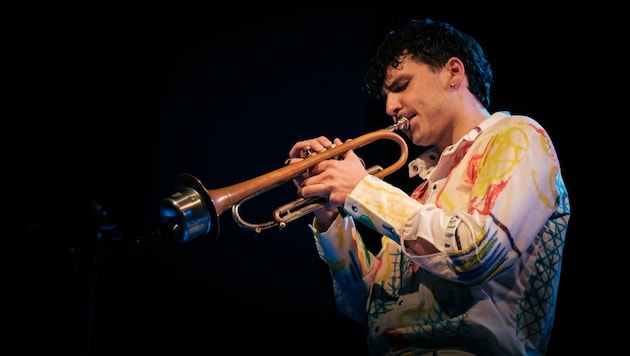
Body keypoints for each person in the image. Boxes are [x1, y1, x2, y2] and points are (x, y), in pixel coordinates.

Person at [286, 18, 570, 356]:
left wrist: (362, 190)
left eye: (401, 85)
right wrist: (330, 217)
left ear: (453, 72)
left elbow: (476, 253)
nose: (390, 107)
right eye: (386, 96)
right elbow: (367, 308)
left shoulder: (519, 136)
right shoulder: (421, 193)